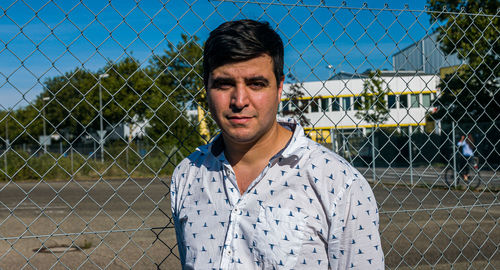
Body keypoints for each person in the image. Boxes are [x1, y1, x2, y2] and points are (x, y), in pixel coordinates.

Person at [171, 19, 384, 269]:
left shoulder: (338, 183)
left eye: (256, 84)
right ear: (206, 87)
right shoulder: (187, 176)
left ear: (279, 87)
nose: (239, 100)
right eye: (224, 84)